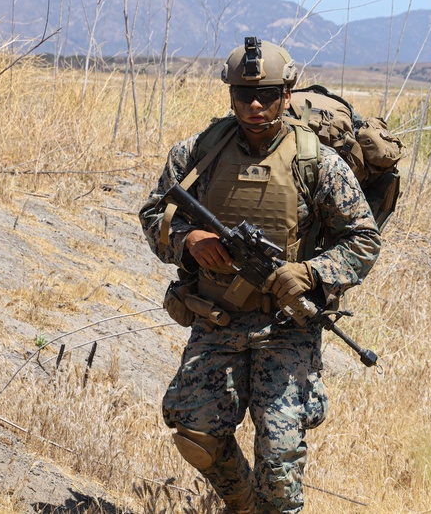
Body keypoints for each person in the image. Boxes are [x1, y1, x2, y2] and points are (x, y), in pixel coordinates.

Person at [138, 37, 381, 513]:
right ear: (229, 95)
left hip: (287, 329)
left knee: (280, 459)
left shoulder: (317, 162)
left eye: (267, 94)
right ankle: (244, 504)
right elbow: (154, 212)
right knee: (193, 429)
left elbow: (363, 238)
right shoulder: (199, 152)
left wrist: (310, 272)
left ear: (286, 94)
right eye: (243, 94)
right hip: (217, 318)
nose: (254, 104)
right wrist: (188, 243)